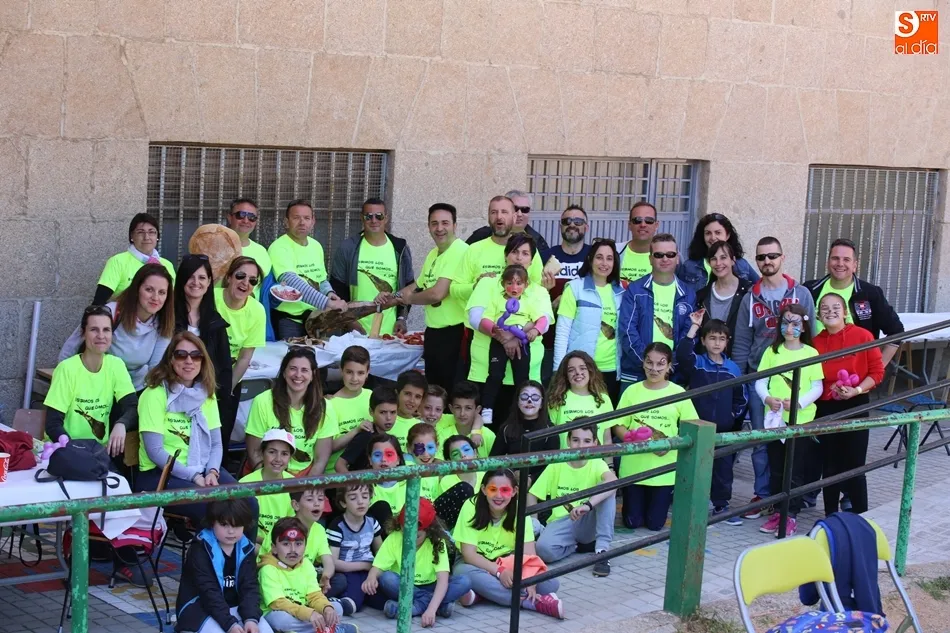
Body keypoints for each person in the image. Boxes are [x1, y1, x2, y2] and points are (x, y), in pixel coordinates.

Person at [135, 332, 256, 539]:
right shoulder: (154, 394)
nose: (189, 361)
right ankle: (208, 567)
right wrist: (194, 477)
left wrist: (213, 472)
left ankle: (242, 565)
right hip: (159, 475)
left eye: (196, 355)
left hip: (201, 469)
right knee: (214, 507)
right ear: (171, 360)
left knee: (249, 501)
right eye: (181, 355)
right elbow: (155, 452)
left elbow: (217, 444)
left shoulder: (206, 394)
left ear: (203, 360)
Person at [732, 236, 816, 519]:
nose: (767, 261)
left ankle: (791, 497)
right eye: (761, 257)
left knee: (793, 441)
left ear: (782, 258)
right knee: (762, 440)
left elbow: (812, 334)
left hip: (797, 381)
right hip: (762, 380)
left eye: (772, 256)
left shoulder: (801, 294)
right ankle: (763, 495)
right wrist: (742, 380)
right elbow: (743, 342)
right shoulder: (749, 297)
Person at [452, 469, 564, 618]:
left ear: (514, 491)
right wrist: (499, 572)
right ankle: (532, 602)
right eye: (493, 489)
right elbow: (468, 554)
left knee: (550, 584)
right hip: (477, 563)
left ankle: (483, 594)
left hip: (509, 560)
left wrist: (530, 580)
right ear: (484, 489)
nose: (499, 496)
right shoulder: (471, 506)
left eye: (505, 490)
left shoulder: (519, 509)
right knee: (462, 573)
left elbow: (529, 553)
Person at [466, 235, 553, 422]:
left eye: (525, 253)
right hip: (485, 373)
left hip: (527, 375)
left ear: (532, 259)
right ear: (506, 255)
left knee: (518, 430)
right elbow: (475, 317)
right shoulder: (488, 283)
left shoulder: (539, 291)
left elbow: (545, 321)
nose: (519, 257)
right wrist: (504, 337)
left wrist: (514, 333)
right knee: (486, 431)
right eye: (514, 251)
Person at [754, 304, 824, 537]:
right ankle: (777, 511)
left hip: (800, 422)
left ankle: (791, 515)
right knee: (776, 468)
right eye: (785, 322)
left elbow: (817, 386)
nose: (789, 328)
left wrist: (798, 403)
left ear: (804, 326)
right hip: (775, 421)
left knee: (795, 470)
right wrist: (767, 398)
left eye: (795, 323)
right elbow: (760, 381)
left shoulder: (810, 354)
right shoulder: (772, 352)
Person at [383, 203, 469, 391]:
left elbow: (437, 293)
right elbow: (417, 286)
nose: (439, 228)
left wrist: (409, 299)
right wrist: (392, 297)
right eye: (434, 223)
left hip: (454, 335)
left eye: (445, 223)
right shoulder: (433, 254)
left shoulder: (459, 251)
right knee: (433, 392)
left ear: (455, 225)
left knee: (448, 394)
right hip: (434, 333)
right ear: (428, 226)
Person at [813, 292, 885, 516]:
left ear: (845, 312)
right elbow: (812, 379)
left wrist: (857, 389)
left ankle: (862, 516)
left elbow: (877, 372)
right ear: (818, 315)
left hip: (857, 404)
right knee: (830, 466)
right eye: (824, 308)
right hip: (827, 407)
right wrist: (830, 390)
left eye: (836, 306)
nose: (830, 311)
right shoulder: (815, 343)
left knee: (855, 465)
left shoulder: (863, 336)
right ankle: (831, 517)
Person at [613, 343, 698, 531]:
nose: (654, 368)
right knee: (632, 523)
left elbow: (691, 428)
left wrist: (669, 444)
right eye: (649, 363)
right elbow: (618, 425)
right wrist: (631, 437)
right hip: (633, 468)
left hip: (664, 471)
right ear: (643, 363)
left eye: (660, 364)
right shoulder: (631, 391)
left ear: (669, 366)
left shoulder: (678, 393)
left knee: (655, 525)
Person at [676, 317, 748, 524]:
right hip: (697, 429)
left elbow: (740, 397)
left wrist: (733, 416)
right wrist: (694, 326)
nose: (717, 343)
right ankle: (690, 503)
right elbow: (683, 355)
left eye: (722, 339)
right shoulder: (697, 363)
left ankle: (721, 505)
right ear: (703, 340)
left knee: (723, 469)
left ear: (727, 342)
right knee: (694, 466)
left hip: (723, 430)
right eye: (712, 338)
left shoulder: (733, 369)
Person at [62, 263, 175, 392]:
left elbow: (155, 368)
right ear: (137, 289)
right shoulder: (111, 312)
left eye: (162, 292)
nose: (155, 297)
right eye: (149, 289)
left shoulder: (164, 323)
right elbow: (70, 349)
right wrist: (63, 385)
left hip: (135, 389)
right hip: (96, 387)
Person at [44, 305, 137, 458]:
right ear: (83, 333)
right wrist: (74, 449)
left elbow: (132, 407)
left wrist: (121, 424)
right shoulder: (67, 369)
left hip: (97, 453)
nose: (101, 335)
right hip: (64, 451)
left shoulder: (116, 365)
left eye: (106, 330)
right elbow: (53, 425)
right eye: (94, 329)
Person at [362, 499, 473, 624]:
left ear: (429, 530)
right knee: (387, 578)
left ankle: (415, 607)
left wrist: (431, 610)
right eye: (406, 534)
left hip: (431, 586)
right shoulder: (395, 537)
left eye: (417, 536)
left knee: (465, 581)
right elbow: (378, 567)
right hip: (404, 586)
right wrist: (371, 577)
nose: (411, 540)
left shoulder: (437, 541)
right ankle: (437, 606)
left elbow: (442, 581)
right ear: (401, 526)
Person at [529, 424, 617, 577]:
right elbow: (532, 494)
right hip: (562, 522)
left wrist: (587, 505)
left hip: (587, 518)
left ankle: (602, 552)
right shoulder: (556, 465)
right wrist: (534, 522)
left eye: (587, 441)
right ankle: (578, 546)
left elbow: (613, 481)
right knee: (543, 551)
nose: (581, 445)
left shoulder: (597, 463)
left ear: (595, 443)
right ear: (568, 441)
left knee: (608, 488)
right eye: (576, 440)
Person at [175, 499, 273, 633]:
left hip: (234, 607)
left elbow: (249, 586)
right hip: (199, 608)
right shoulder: (200, 549)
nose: (231, 531)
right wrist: (230, 624)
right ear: (212, 523)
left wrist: (250, 618)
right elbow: (208, 592)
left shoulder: (246, 547)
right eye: (224, 525)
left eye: (237, 525)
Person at [804, 238, 905, 366]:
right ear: (828, 262)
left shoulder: (870, 293)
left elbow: (896, 331)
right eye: (835, 258)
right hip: (814, 369)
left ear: (855, 265)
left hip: (855, 373)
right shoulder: (809, 290)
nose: (840, 263)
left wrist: (876, 370)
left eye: (846, 259)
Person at [244, 347, 338, 476]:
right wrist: (271, 484)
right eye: (293, 369)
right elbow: (254, 452)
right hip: (265, 474)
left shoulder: (324, 407)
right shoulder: (263, 401)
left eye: (304, 370)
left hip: (304, 475)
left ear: (313, 375)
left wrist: (307, 487)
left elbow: (321, 459)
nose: (298, 375)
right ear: (284, 372)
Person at [258, 487, 353, 613]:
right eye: (310, 499)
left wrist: (326, 576)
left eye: (320, 499)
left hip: (305, 580)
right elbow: (266, 562)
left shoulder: (319, 530)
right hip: (280, 580)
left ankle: (321, 606)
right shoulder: (282, 528)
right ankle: (321, 607)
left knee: (339, 580)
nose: (317, 503)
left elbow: (328, 561)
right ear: (295, 505)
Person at [618, 234, 695, 388]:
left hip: (673, 374)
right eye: (659, 255)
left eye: (670, 254)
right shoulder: (635, 290)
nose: (665, 259)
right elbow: (627, 331)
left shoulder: (689, 293)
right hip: (636, 373)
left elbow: (690, 334)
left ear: (677, 258)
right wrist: (650, 364)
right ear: (650, 259)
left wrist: (668, 366)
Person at [330, 197, 414, 336]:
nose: (374, 220)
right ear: (362, 218)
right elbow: (336, 290)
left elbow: (409, 287)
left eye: (379, 216)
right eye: (368, 216)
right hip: (355, 332)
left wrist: (401, 318)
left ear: (386, 218)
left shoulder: (400, 248)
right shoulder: (348, 247)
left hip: (389, 334)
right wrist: (349, 322)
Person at [553, 238, 624, 399]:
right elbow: (562, 332)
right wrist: (558, 370)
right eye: (599, 257)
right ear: (590, 259)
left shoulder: (620, 292)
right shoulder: (574, 288)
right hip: (581, 369)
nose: (604, 263)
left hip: (612, 369)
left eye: (609, 258)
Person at [267, 199, 347, 339]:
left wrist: (328, 292)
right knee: (291, 359)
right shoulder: (279, 247)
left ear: (313, 221)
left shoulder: (316, 246)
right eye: (296, 218)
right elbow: (291, 282)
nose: (302, 222)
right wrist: (327, 303)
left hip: (315, 320)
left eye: (306, 218)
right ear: (286, 222)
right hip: (289, 321)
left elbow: (321, 279)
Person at [173, 254, 234, 437]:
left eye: (202, 278)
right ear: (182, 279)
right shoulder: (167, 318)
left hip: (206, 399)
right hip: (172, 396)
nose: (195, 282)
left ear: (209, 283)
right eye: (190, 276)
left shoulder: (216, 322)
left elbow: (224, 369)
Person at [258, 517, 354, 633]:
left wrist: (326, 607)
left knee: (335, 608)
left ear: (305, 546)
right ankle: (329, 628)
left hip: (303, 611)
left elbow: (314, 595)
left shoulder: (306, 564)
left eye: (298, 543)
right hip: (278, 612)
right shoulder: (268, 568)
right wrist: (309, 613)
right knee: (282, 621)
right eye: (286, 544)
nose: (293, 550)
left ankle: (321, 628)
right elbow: (278, 603)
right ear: (274, 548)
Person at [454, 196, 544, 306]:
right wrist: (475, 286)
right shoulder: (474, 249)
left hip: (516, 321)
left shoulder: (528, 250)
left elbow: (539, 290)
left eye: (504, 212)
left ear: (514, 217)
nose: (499, 217)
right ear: (488, 217)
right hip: (479, 321)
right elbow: (454, 290)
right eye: (494, 212)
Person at [539, 205, 591, 383]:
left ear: (586, 226)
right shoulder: (544, 256)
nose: (572, 225)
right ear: (560, 226)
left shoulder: (596, 257)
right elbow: (531, 297)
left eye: (578, 221)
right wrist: (547, 297)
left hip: (584, 341)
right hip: (549, 343)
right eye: (566, 221)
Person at [93, 212, 176, 304]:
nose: (146, 237)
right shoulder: (118, 261)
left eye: (151, 232)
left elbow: (173, 300)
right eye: (140, 232)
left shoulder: (167, 265)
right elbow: (98, 301)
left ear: (157, 236)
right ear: (132, 236)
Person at [326, 484, 385, 612]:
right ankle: (337, 604)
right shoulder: (337, 526)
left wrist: (374, 571)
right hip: (347, 570)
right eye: (353, 498)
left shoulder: (372, 522)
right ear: (343, 503)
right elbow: (333, 562)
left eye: (365, 496)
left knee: (380, 598)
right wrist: (365, 565)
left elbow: (381, 552)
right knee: (353, 604)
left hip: (369, 569)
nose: (360, 502)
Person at [215, 256, 266, 393]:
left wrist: (227, 389)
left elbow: (244, 358)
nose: (245, 282)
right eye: (240, 276)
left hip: (231, 374)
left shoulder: (257, 311)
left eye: (252, 280)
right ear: (228, 277)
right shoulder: (210, 298)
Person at [693, 240, 752, 358]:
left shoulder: (748, 291)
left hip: (737, 361)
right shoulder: (701, 296)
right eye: (714, 259)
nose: (718, 263)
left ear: (733, 260)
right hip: (706, 364)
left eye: (723, 257)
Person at [490, 381, 560, 475]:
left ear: (542, 403)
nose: (529, 401)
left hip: (541, 485)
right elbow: (493, 462)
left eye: (535, 397)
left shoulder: (550, 430)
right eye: (524, 397)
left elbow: (553, 466)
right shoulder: (506, 429)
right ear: (517, 402)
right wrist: (511, 474)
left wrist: (531, 478)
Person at [238, 429, 295, 543]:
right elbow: (240, 529)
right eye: (272, 452)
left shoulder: (294, 484)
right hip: (251, 543)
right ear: (262, 453)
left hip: (283, 545)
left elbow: (294, 525)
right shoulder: (245, 484)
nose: (278, 459)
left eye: (284, 454)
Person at [677, 212, 759, 291]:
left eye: (718, 233)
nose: (713, 237)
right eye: (708, 233)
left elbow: (759, 288)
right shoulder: (689, 266)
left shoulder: (741, 264)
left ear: (727, 235)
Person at [547, 351, 614, 447]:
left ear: (591, 371)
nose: (578, 373)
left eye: (582, 368)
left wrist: (609, 462)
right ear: (566, 375)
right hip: (564, 460)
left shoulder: (603, 399)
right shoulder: (557, 398)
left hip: (595, 461)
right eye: (571, 370)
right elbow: (551, 437)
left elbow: (607, 439)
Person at [326, 345, 373, 471]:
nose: (354, 378)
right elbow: (329, 447)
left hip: (367, 472)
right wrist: (356, 431)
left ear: (368, 372)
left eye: (360, 373)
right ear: (341, 371)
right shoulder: (330, 404)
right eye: (349, 372)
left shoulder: (372, 396)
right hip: (336, 476)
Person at [335, 386, 400, 473]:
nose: (389, 418)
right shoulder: (366, 436)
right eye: (383, 412)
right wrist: (353, 486)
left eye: (393, 412)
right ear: (371, 412)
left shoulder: (389, 436)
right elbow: (339, 464)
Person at [466, 190, 550, 255]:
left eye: (525, 209)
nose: (519, 214)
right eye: (515, 209)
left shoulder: (537, 241)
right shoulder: (481, 236)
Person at [226, 197, 271, 298]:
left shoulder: (262, 252)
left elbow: (264, 289)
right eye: (240, 215)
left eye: (252, 217)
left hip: (251, 311)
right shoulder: (213, 247)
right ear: (229, 217)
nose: (246, 220)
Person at [434, 434, 481, 530]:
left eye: (467, 450)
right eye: (455, 454)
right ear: (449, 461)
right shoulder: (446, 481)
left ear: (475, 453)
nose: (463, 455)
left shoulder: (487, 476)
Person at [365, 434, 408, 530]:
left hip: (404, 537)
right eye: (377, 455)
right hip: (379, 540)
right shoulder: (363, 488)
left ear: (398, 460)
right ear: (370, 460)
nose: (383, 459)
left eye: (389, 455)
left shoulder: (409, 484)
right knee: (382, 507)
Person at [440, 381, 493, 457]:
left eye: (468, 408)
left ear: (477, 410)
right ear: (451, 408)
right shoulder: (442, 435)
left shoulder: (489, 436)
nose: (462, 413)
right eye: (458, 407)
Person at [617, 201, 659, 288]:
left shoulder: (669, 256)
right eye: (637, 220)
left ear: (656, 225)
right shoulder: (614, 251)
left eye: (649, 220)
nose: (643, 225)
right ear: (629, 225)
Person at [405, 422, 441, 500]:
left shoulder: (438, 471)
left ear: (437, 446)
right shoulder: (405, 464)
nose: (425, 454)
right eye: (419, 448)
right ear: (409, 448)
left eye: (430, 447)